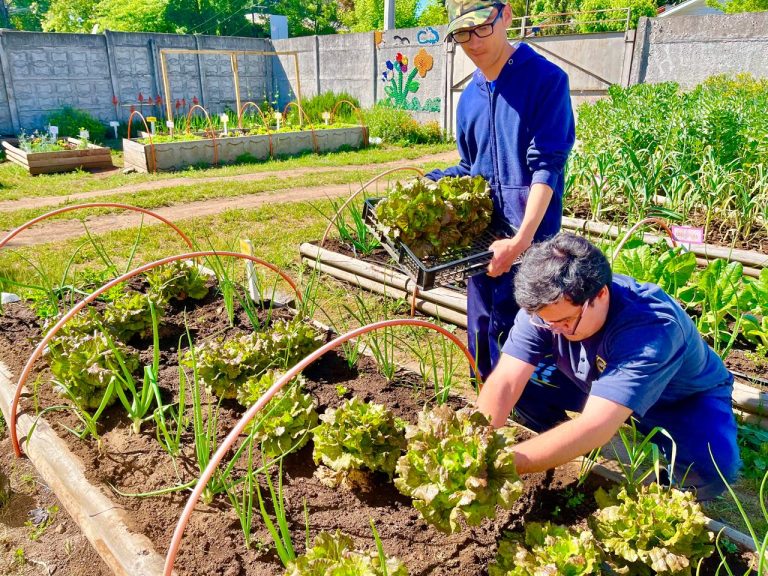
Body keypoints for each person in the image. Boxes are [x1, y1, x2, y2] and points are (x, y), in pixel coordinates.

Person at [476, 232, 741, 499]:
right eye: (546, 322)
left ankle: (669, 491)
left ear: (601, 294)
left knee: (714, 467)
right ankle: (559, 439)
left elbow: (595, 425)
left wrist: (500, 465)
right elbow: (506, 380)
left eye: (566, 321)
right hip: (594, 380)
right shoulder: (548, 306)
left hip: (677, 401)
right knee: (526, 381)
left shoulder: (652, 328)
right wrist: (476, 445)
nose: (554, 330)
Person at [425, 0, 576, 381]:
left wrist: (522, 242)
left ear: (505, 16)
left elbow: (547, 167)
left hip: (533, 242)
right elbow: (469, 168)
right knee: (479, 324)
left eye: (481, 27)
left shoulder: (545, 80)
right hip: (480, 242)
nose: (472, 42)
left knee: (525, 333)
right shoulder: (470, 96)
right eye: (461, 33)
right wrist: (430, 183)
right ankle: (485, 401)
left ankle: (529, 413)